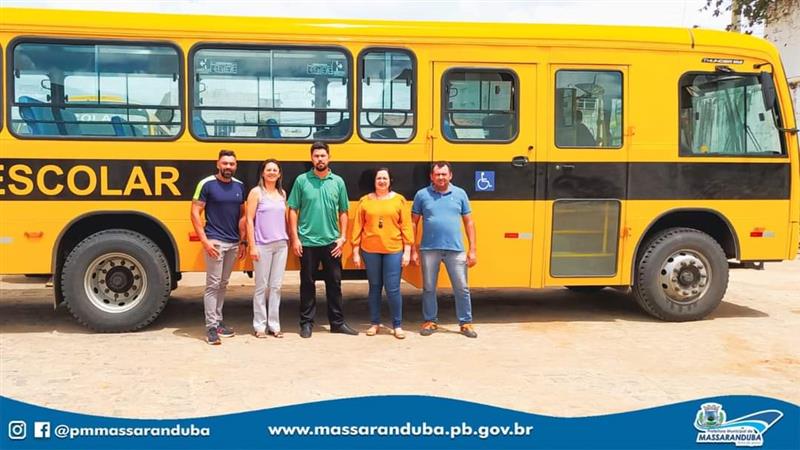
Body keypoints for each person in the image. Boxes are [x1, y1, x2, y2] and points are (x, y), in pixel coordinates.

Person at [287, 141, 358, 338]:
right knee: (307, 284)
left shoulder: (338, 182)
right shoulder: (302, 181)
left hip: (331, 242)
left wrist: (342, 237)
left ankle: (337, 323)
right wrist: (295, 238)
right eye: (316, 156)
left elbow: (344, 211)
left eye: (323, 156)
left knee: (334, 284)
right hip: (307, 242)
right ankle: (306, 324)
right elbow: (292, 209)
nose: (320, 159)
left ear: (329, 158)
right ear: (311, 158)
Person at [411, 161, 478, 338]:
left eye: (444, 174)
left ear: (450, 175)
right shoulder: (422, 195)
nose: (441, 177)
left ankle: (466, 323)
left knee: (462, 288)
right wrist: (412, 249)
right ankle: (430, 321)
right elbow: (413, 223)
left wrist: (472, 249)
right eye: (437, 174)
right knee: (429, 287)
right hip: (429, 249)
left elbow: (469, 222)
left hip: (455, 249)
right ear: (431, 176)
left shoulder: (460, 194)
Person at [190, 149, 247, 345]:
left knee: (223, 284)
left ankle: (218, 321)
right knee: (213, 285)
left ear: (235, 166)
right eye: (225, 163)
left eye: (231, 164)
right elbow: (195, 213)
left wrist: (243, 241)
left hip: (233, 243)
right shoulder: (206, 184)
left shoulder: (239, 186)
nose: (228, 167)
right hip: (215, 242)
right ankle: (211, 328)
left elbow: (242, 215)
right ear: (218, 164)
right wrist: (205, 241)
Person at [351, 168, 414, 339]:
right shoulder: (365, 201)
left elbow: (406, 226)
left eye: (385, 178)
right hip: (370, 250)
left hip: (393, 250)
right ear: (374, 181)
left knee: (393, 289)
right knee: (374, 287)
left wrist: (407, 251)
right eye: (379, 178)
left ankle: (397, 325)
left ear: (390, 181)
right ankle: (374, 323)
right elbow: (358, 227)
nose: (381, 181)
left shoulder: (399, 200)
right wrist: (355, 251)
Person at [246, 159, 289, 339]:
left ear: (279, 174)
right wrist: (252, 246)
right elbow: (249, 220)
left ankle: (274, 325)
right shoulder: (256, 193)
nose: (271, 173)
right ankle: (259, 326)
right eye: (268, 170)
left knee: (276, 286)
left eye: (275, 170)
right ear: (263, 173)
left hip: (281, 245)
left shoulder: (282, 194)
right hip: (262, 245)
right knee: (261, 287)